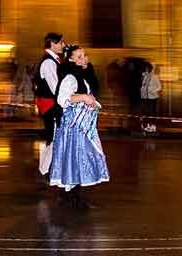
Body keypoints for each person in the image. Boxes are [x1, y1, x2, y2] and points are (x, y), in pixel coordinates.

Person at [49, 45, 109, 208]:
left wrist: (92, 102)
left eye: (85, 55)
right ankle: (72, 197)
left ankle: (73, 196)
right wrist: (83, 97)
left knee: (79, 159)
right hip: (73, 126)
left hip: (84, 125)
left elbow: (89, 96)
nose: (84, 59)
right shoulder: (70, 77)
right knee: (75, 158)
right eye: (79, 57)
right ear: (71, 60)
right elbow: (62, 99)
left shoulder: (85, 75)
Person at [35, 33, 65, 176]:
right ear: (52, 44)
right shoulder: (49, 62)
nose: (63, 45)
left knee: (53, 135)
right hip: (50, 105)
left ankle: (46, 168)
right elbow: (55, 87)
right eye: (61, 42)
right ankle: (46, 170)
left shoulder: (53, 60)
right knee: (54, 136)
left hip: (50, 104)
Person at [140, 62, 162, 132]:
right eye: (145, 68)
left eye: (147, 68)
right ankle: (146, 126)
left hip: (153, 98)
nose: (146, 69)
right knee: (146, 112)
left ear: (151, 68)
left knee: (152, 113)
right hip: (144, 97)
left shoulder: (155, 77)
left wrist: (152, 91)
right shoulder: (145, 76)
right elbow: (143, 85)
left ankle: (153, 127)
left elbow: (159, 87)